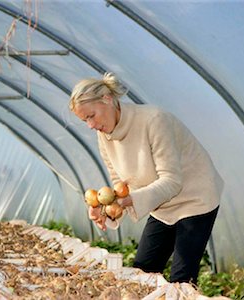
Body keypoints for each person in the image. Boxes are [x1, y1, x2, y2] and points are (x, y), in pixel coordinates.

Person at [69, 72, 223, 284]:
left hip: (195, 198)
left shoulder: (154, 120)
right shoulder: (104, 136)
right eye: (84, 120)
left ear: (107, 99)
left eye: (91, 116)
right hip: (162, 205)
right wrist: (107, 210)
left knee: (181, 278)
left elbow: (172, 181)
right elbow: (120, 185)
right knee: (141, 273)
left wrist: (129, 200)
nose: (90, 125)